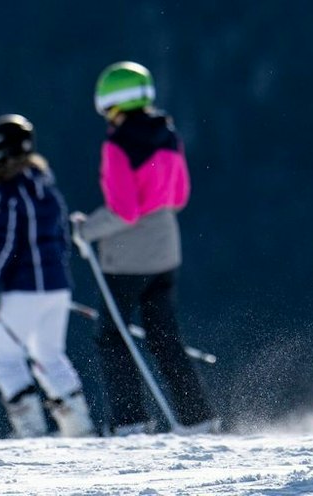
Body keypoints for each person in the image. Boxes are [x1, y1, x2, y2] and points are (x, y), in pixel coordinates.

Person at [72, 61, 219, 435]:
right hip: (167, 247)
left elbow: (124, 209)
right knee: (164, 336)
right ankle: (198, 417)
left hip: (128, 254)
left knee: (113, 336)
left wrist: (86, 229)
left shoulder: (118, 143)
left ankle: (130, 422)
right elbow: (180, 195)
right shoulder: (168, 133)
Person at [0, 114, 94, 438]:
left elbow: (5, 243)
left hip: (25, 290)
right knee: (49, 355)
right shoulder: (46, 187)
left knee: (6, 362)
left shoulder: (8, 194)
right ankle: (79, 428)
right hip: (57, 287)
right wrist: (56, 279)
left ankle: (31, 432)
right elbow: (62, 238)